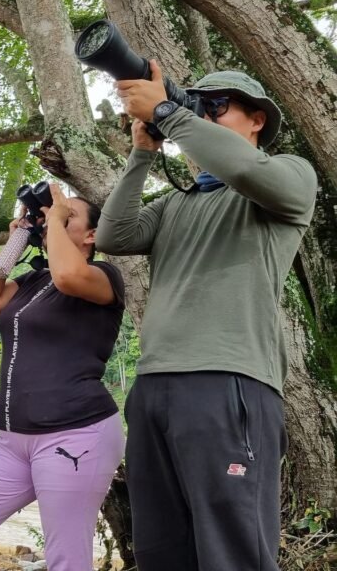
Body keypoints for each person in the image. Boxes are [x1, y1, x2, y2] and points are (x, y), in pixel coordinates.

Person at [101, 64, 317, 570]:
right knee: (161, 550)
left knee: (232, 551)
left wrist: (169, 112)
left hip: (228, 382)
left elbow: (245, 171)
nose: (204, 115)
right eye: (199, 106)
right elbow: (114, 236)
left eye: (216, 106)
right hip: (155, 384)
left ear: (257, 120)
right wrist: (142, 152)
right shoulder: (176, 202)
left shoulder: (289, 174)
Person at [0, 184, 126, 570]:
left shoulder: (102, 276)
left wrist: (54, 216)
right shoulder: (33, 282)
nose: (55, 217)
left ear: (91, 235)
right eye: (52, 214)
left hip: (74, 434)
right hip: (14, 441)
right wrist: (19, 237)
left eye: (68, 216)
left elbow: (69, 275)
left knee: (65, 557)